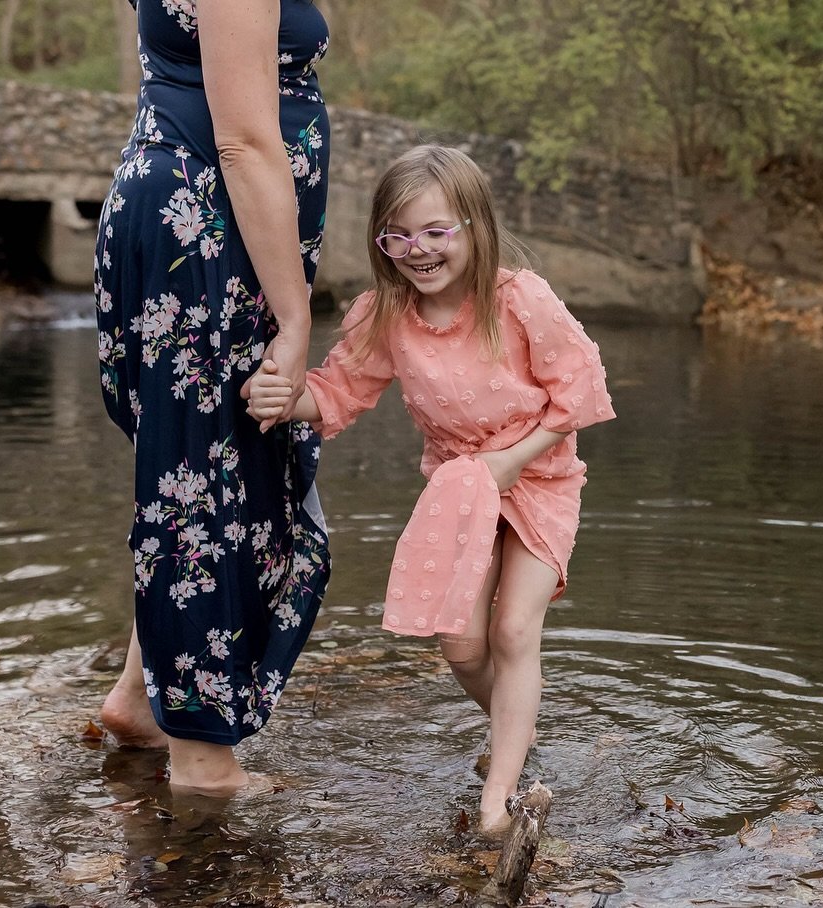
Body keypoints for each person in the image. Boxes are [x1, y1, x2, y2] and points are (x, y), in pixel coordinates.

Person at [244, 145, 615, 834]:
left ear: (474, 226)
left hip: (540, 477)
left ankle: (497, 799)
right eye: (398, 236)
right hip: (457, 488)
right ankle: (517, 723)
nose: (417, 251)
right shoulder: (386, 315)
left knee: (512, 629)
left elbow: (582, 393)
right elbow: (337, 393)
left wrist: (511, 461)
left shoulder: (519, 299)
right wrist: (281, 397)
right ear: (381, 243)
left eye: (436, 232)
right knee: (462, 647)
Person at [92, 0, 331, 795]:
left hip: (196, 217)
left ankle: (141, 698)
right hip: (206, 229)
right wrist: (295, 317)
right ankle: (201, 757)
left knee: (190, 468)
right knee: (206, 485)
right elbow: (244, 137)